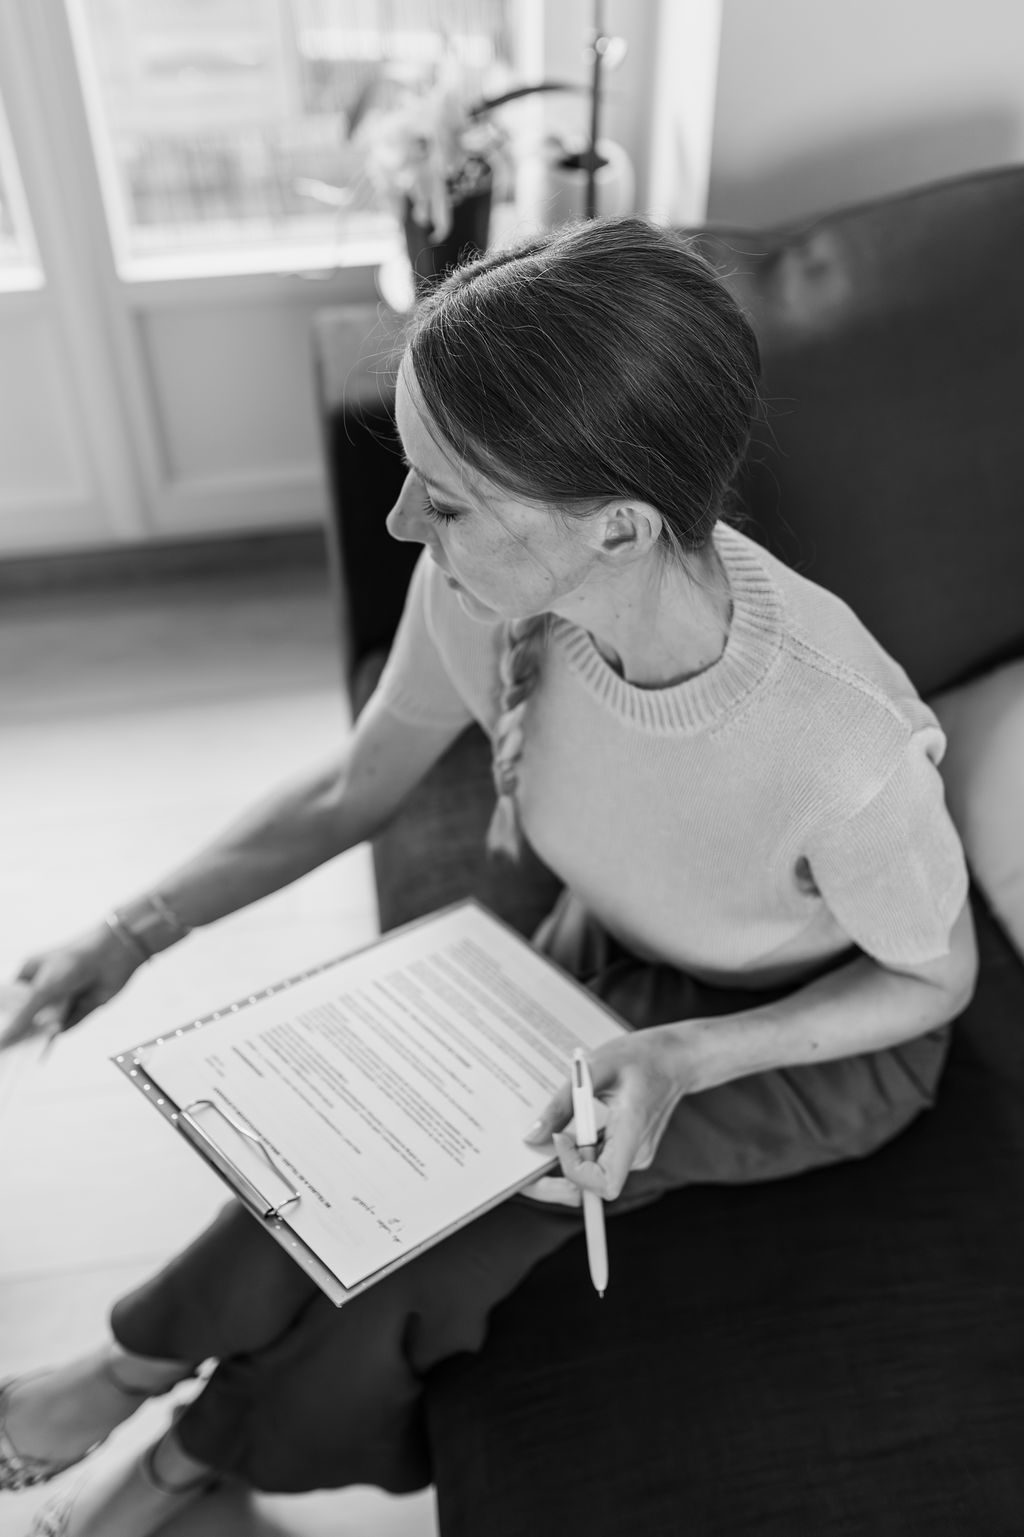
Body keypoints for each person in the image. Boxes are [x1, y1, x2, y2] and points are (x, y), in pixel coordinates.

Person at [1, 217, 976, 1537]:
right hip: (612, 948)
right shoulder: (488, 590)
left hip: (802, 1034)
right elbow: (360, 784)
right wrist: (131, 929)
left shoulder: (841, 745)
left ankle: (183, 1459)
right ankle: (130, 1367)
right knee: (344, 1143)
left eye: (445, 497)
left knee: (449, 1244)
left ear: (619, 527)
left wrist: (685, 1057)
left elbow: (935, 976)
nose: (407, 519)